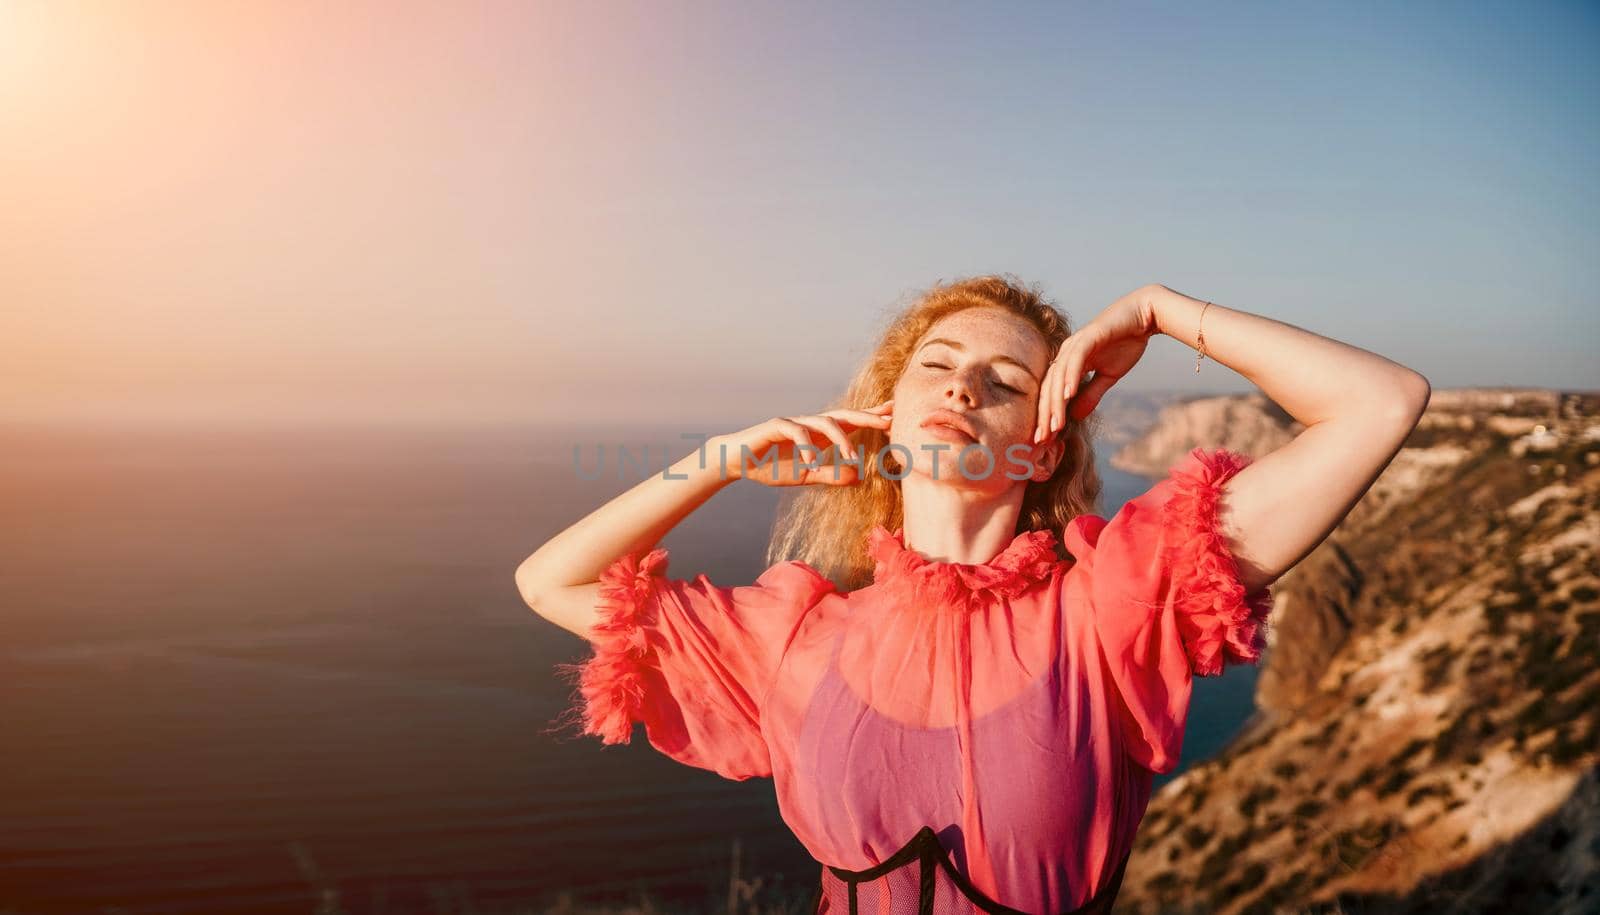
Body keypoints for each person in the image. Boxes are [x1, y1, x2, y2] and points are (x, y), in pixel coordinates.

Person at [514, 276, 1431, 914]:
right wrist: (724, 459)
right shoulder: (796, 639)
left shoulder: (1114, 607)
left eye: (1006, 381)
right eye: (938, 363)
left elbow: (1380, 402)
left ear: (1036, 448)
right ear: (890, 417)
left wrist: (1162, 311)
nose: (963, 383)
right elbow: (550, 578)